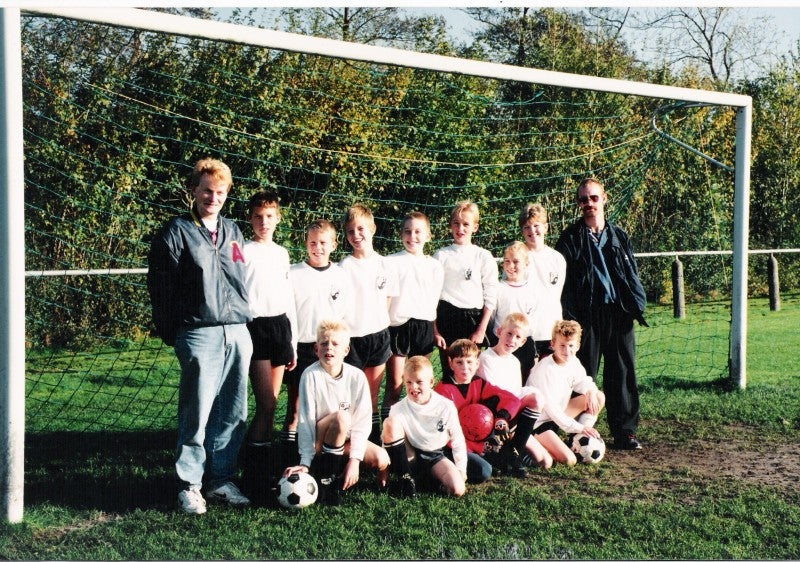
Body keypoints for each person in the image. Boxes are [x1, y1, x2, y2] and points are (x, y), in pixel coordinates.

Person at [147, 157, 253, 515]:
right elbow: (160, 288)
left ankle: (220, 479)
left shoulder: (233, 230)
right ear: (194, 190)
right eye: (207, 190)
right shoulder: (175, 232)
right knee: (197, 411)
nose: (213, 198)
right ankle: (189, 485)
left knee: (233, 411)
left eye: (220, 192)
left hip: (237, 330)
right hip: (198, 332)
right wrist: (174, 332)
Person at [555, 177, 648, 451]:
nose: (589, 203)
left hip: (618, 314)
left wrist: (635, 303)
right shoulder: (570, 239)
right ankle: (576, 430)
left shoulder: (619, 236)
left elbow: (630, 274)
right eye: (584, 199)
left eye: (594, 198)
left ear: (604, 199)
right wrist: (569, 319)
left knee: (622, 372)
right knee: (582, 374)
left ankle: (625, 431)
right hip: (586, 317)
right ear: (578, 203)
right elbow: (563, 284)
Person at [283, 320, 390, 506]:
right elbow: (306, 421)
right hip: (320, 440)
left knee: (382, 459)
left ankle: (339, 469)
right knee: (342, 417)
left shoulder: (357, 377)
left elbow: (362, 423)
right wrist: (305, 461)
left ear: (346, 350)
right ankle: (327, 482)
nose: (329, 348)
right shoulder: (310, 375)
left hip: (346, 440)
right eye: (324, 343)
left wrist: (355, 460)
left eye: (335, 344)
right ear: (316, 349)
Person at [239, 191, 297, 501]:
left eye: (270, 216)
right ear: (250, 219)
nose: (264, 222)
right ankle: (252, 471)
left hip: (280, 328)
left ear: (278, 219)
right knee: (267, 404)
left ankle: (263, 468)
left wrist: (292, 342)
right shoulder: (241, 249)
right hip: (255, 328)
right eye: (258, 216)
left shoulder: (282, 253)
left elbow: (288, 298)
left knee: (272, 404)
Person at [284, 219, 352, 463]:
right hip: (302, 346)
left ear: (334, 244)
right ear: (306, 243)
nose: (317, 247)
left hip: (330, 349)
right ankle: (289, 455)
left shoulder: (341, 275)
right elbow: (288, 312)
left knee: (329, 403)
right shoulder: (293, 273)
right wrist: (290, 345)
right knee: (296, 406)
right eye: (312, 242)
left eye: (323, 242)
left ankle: (325, 453)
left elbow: (343, 315)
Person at [339, 204, 393, 444]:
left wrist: (377, 321)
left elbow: (387, 298)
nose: (356, 235)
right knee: (351, 396)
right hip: (352, 340)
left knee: (371, 395)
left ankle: (371, 443)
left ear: (372, 229)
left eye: (361, 228)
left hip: (378, 336)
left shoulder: (385, 264)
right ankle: (347, 445)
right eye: (350, 231)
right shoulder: (344, 267)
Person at [434, 339, 526, 481]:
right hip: (452, 445)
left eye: (469, 362)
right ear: (451, 363)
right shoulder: (442, 391)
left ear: (477, 363)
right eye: (459, 362)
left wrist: (501, 419)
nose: (465, 368)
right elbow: (442, 432)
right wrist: (477, 447)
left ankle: (505, 457)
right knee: (484, 471)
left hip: (476, 439)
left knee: (503, 421)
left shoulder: (478, 383)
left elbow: (512, 400)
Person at [382, 212, 444, 420]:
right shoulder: (390, 262)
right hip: (397, 327)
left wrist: (435, 331)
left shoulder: (435, 266)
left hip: (423, 328)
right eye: (407, 231)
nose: (412, 236)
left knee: (420, 383)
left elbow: (433, 303)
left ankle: (419, 426)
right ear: (401, 234)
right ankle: (387, 430)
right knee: (396, 384)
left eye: (418, 231)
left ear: (428, 235)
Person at [381, 356, 468, 497]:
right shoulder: (397, 408)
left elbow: (457, 439)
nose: (413, 387)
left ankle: (426, 480)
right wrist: (383, 471)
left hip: (435, 455)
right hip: (409, 454)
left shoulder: (445, 406)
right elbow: (386, 438)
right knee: (389, 423)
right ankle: (405, 477)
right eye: (409, 382)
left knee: (457, 489)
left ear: (431, 382)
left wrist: (461, 470)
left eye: (419, 382)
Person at [433, 200, 499, 379]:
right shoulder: (441, 255)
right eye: (456, 223)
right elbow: (431, 296)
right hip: (447, 318)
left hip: (473, 321)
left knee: (471, 373)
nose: (460, 228)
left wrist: (481, 329)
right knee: (450, 372)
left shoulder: (483, 256)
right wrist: (435, 330)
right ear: (450, 225)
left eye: (466, 224)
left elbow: (491, 295)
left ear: (475, 227)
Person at [477, 312, 552, 469]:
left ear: (523, 342)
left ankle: (512, 451)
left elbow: (516, 393)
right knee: (535, 398)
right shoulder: (486, 358)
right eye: (509, 334)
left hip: (511, 414)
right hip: (495, 416)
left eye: (518, 337)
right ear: (499, 332)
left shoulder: (514, 361)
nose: (512, 340)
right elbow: (495, 397)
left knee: (545, 461)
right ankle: (511, 454)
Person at [526, 320, 605, 465]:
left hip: (558, 416)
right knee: (569, 460)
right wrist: (580, 427)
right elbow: (552, 410)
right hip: (539, 421)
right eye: (562, 345)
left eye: (571, 346)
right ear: (553, 344)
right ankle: (532, 447)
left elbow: (583, 381)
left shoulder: (573, 361)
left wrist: (591, 391)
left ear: (578, 346)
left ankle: (576, 439)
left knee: (598, 397)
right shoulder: (545, 369)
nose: (567, 351)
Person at [519, 203, 567, 362]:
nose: (532, 231)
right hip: (525, 332)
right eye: (527, 227)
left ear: (545, 227)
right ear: (522, 231)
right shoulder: (517, 257)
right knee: (526, 375)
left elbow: (557, 294)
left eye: (536, 225)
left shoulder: (557, 259)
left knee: (549, 373)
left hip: (550, 330)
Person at [491, 241, 541, 383]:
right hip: (501, 343)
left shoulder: (532, 289)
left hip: (523, 345)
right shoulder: (498, 288)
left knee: (523, 381)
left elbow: (534, 320)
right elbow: (492, 317)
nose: (510, 266)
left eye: (516, 261)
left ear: (526, 264)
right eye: (507, 261)